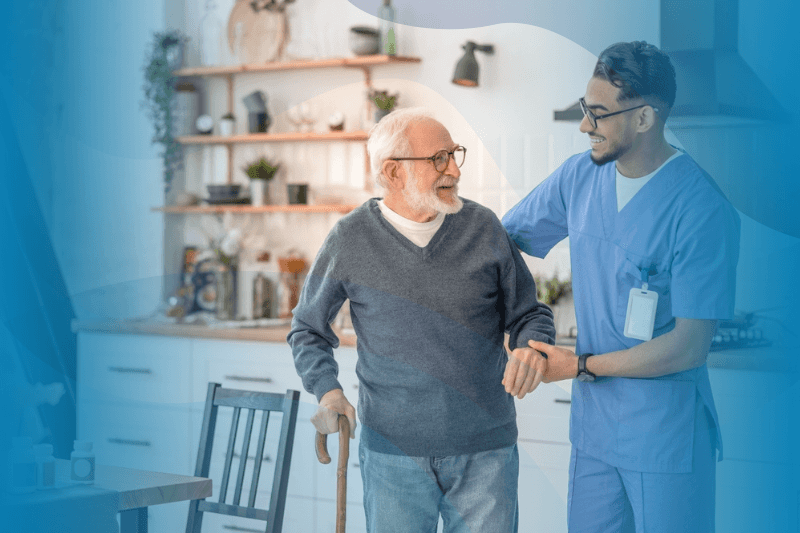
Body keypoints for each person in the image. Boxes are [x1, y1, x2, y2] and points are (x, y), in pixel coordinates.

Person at [502, 41, 740, 532]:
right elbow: (500, 242)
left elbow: (690, 347)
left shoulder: (701, 208)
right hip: (595, 436)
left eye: (599, 114)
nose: (585, 125)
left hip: (665, 438)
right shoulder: (578, 178)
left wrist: (581, 364)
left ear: (644, 119)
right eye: (585, 109)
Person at [288, 107, 556, 533]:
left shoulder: (483, 227)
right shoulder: (350, 238)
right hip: (392, 453)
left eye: (454, 155)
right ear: (393, 173)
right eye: (438, 159)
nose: (453, 169)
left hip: (485, 450)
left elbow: (529, 313)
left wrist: (530, 345)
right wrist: (328, 391)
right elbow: (307, 329)